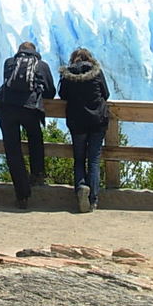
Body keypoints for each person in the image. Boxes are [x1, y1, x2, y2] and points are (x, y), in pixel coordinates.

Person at [0, 41, 55, 209]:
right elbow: (51, 91)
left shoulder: (9, 62)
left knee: (13, 151)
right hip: (30, 109)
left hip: (7, 109)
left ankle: (22, 194)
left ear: (19, 51)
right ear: (35, 52)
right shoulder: (41, 65)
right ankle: (37, 174)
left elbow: (7, 81)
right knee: (35, 139)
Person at [58, 47, 110, 213]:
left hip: (77, 122)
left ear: (73, 60)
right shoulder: (96, 73)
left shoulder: (68, 76)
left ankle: (81, 187)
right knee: (94, 160)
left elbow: (63, 95)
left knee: (79, 159)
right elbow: (106, 94)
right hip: (97, 121)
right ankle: (93, 199)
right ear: (90, 59)